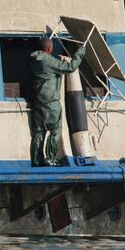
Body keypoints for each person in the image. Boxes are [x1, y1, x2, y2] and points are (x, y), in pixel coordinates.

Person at [29, 38, 86, 167]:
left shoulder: (33, 59)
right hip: (51, 102)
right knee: (55, 130)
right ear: (49, 49)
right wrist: (80, 52)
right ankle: (50, 159)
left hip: (37, 101)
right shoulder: (49, 61)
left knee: (38, 132)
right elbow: (70, 67)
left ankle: (37, 160)